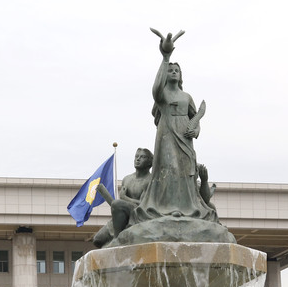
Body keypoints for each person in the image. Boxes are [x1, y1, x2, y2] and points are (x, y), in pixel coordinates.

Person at [132, 29, 218, 224]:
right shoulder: (162, 95)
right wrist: (166, 57)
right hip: (167, 133)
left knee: (185, 170)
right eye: (170, 70)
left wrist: (194, 130)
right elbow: (155, 89)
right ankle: (167, 208)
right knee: (169, 167)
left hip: (185, 136)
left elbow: (196, 118)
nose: (173, 72)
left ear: (180, 76)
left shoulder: (186, 97)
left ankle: (185, 207)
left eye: (175, 70)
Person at [92, 148, 153, 248]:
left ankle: (118, 240)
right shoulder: (127, 179)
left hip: (139, 214)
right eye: (136, 157)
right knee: (97, 240)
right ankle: (118, 235)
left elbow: (144, 205)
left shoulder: (151, 180)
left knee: (117, 204)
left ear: (150, 162)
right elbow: (121, 205)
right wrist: (122, 201)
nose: (138, 159)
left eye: (142, 157)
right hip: (124, 216)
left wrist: (124, 198)